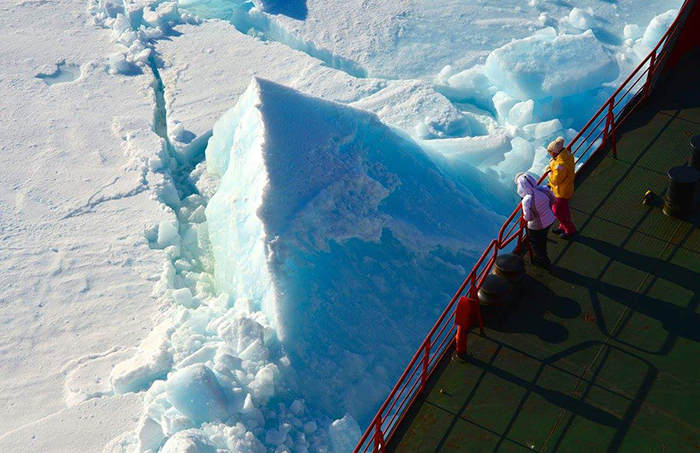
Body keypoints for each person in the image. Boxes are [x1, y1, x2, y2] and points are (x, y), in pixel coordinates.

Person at [515, 172, 556, 268]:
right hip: (550, 219)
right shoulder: (544, 189)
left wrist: (525, 217)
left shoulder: (527, 200)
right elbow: (553, 200)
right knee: (542, 238)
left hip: (537, 226)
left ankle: (543, 262)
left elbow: (529, 217)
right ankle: (543, 255)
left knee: (537, 245)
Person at [547, 137, 577, 239]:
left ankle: (570, 230)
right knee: (564, 210)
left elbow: (556, 180)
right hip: (567, 187)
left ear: (555, 152)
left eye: (550, 152)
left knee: (557, 211)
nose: (549, 153)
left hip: (561, 191)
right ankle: (563, 226)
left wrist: (549, 171)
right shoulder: (567, 155)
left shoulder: (560, 164)